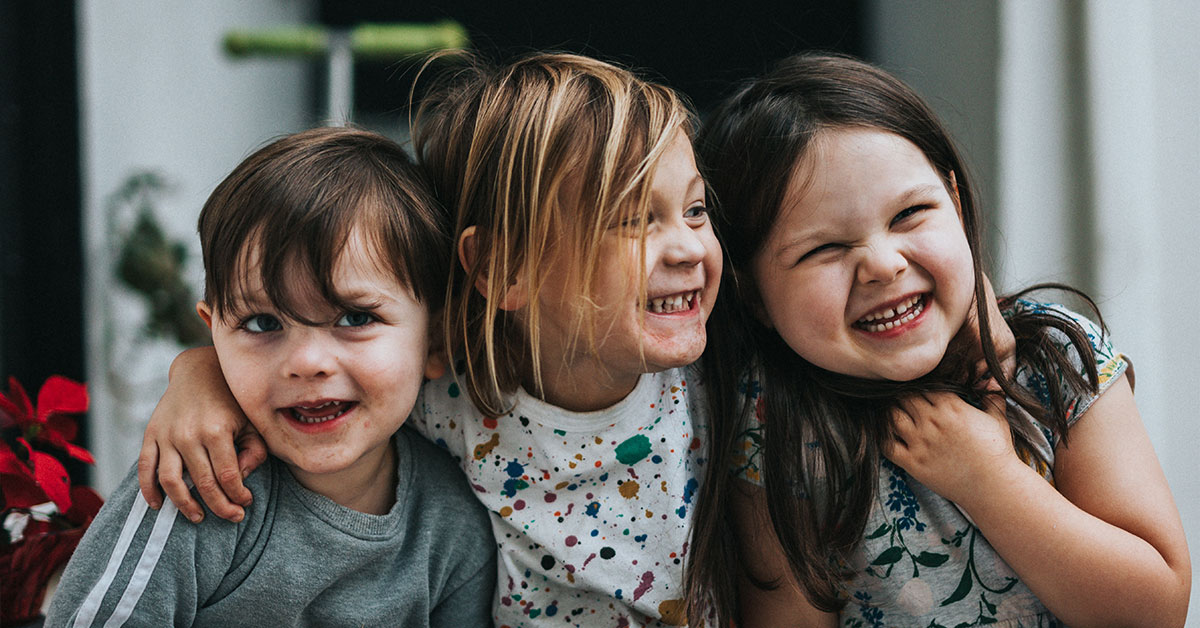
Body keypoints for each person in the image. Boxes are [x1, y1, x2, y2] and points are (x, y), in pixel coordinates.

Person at [133, 54, 722, 627]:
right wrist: (201, 374)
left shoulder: (723, 385)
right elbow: (321, 367)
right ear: (504, 267)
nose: (688, 247)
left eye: (695, 209)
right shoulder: (448, 395)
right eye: (631, 218)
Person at [684, 53, 1191, 627]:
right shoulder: (774, 419)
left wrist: (990, 480)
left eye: (911, 214)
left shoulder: (1055, 359)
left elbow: (1155, 612)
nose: (881, 264)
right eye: (823, 249)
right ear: (753, 297)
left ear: (954, 200)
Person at [46, 127, 497, 627]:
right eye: (264, 323)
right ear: (213, 336)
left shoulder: (453, 531)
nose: (306, 362)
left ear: (435, 341)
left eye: (354, 318)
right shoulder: (198, 485)